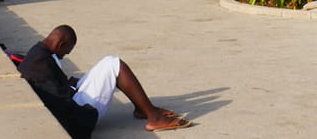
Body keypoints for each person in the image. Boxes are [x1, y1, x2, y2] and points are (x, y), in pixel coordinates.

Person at [18, 25, 190, 137]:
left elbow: (55, 86)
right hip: (76, 118)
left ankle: (142, 109)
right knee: (114, 65)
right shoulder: (43, 62)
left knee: (105, 65)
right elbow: (62, 100)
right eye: (67, 51)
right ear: (60, 44)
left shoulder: (38, 52)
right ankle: (154, 118)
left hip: (67, 103)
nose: (66, 55)